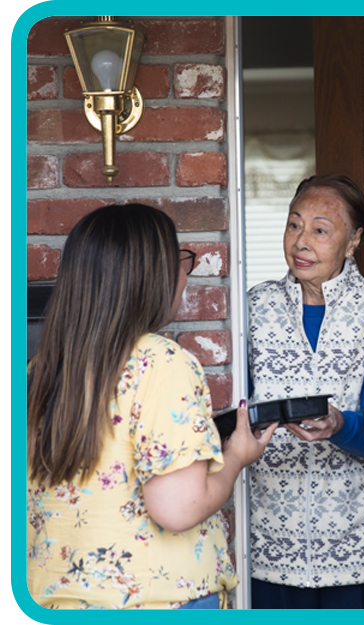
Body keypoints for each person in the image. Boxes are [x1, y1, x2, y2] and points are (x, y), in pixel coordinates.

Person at [27, 203, 277, 609]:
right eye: (178, 259)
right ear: (151, 275)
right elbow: (178, 509)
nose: (184, 275)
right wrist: (235, 457)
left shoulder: (40, 370)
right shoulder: (161, 361)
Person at [247, 174, 364, 609]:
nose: (301, 242)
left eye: (320, 230)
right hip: (268, 547)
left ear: (354, 240)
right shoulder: (253, 307)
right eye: (294, 224)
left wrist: (339, 425)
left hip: (359, 546)